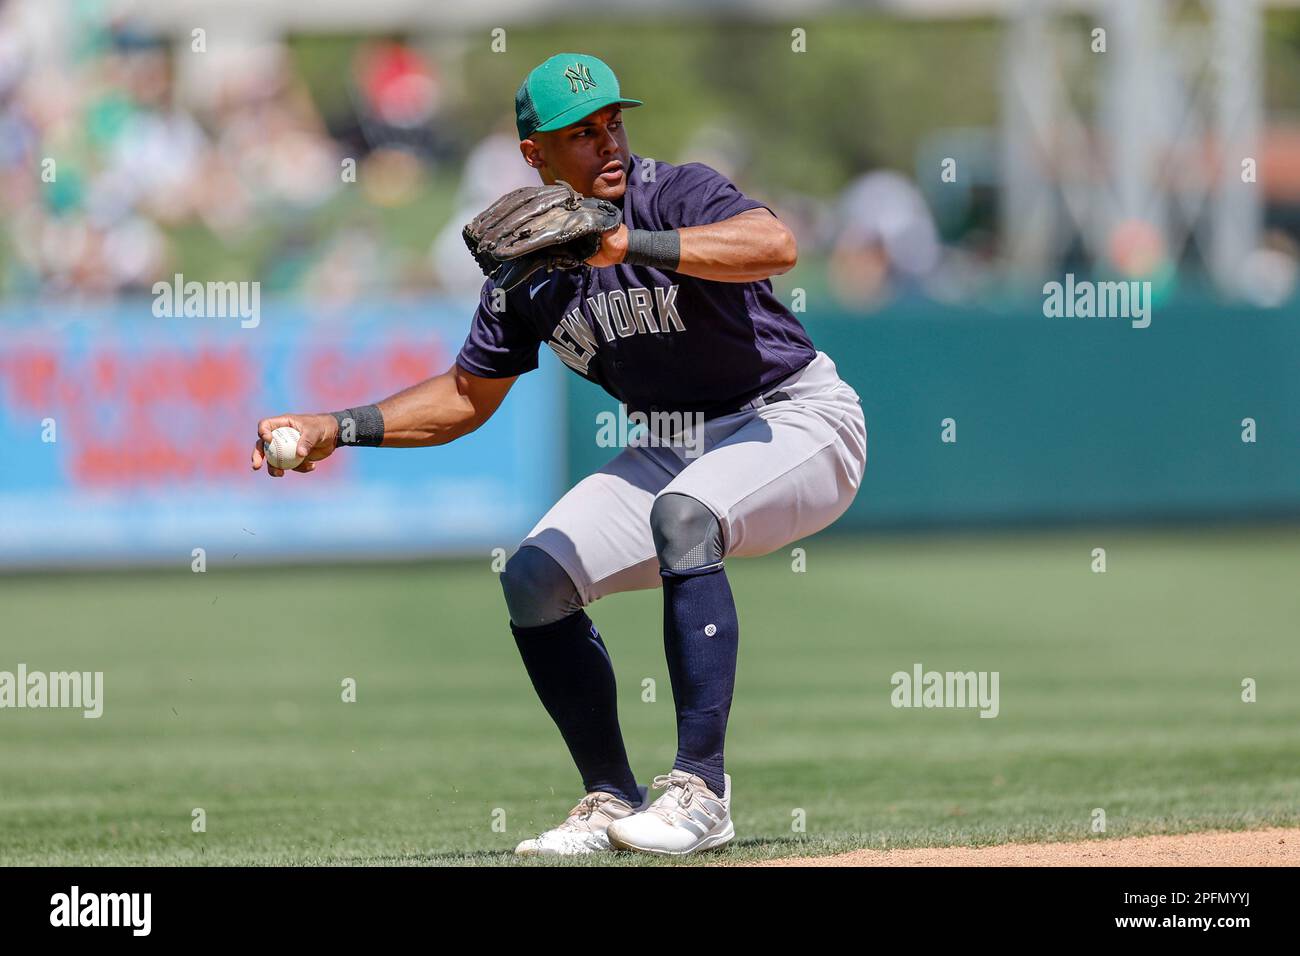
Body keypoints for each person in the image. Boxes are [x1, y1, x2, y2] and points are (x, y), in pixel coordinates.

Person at [251, 53, 867, 857]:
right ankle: (611, 796)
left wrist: (632, 243)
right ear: (534, 154)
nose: (608, 142)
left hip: (795, 419)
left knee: (685, 515)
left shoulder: (675, 192)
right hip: (676, 443)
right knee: (535, 578)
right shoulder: (527, 267)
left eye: (614, 122)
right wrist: (340, 425)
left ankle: (702, 792)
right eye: (582, 133)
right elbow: (468, 398)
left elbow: (774, 243)